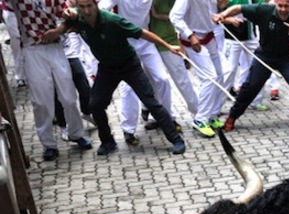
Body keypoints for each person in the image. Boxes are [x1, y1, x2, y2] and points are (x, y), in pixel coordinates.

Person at [48, 0, 186, 155]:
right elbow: (67, 23)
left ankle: (176, 140)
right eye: (82, 7)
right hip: (107, 68)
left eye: (90, 6)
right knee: (95, 104)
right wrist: (58, 31)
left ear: (96, 5)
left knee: (151, 102)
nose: (86, 11)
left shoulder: (113, 21)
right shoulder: (78, 17)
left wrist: (168, 47)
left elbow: (143, 33)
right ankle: (107, 141)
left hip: (129, 66)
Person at [214, 0, 289, 134]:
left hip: (285, 57)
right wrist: (223, 15)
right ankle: (232, 116)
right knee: (250, 86)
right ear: (275, 4)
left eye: (286, 6)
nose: (282, 9)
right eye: (280, 5)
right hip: (264, 55)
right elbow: (238, 7)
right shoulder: (264, 10)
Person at [11, 0, 91, 161]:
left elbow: (65, 12)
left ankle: (76, 134)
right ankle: (49, 144)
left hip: (55, 48)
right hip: (32, 49)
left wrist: (67, 16)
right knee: (41, 101)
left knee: (68, 97)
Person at [99, 0, 180, 147]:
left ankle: (167, 118)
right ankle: (128, 130)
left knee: (162, 79)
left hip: (145, 40)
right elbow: (102, 7)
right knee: (128, 88)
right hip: (125, 41)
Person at [170, 0, 229, 138]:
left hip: (209, 36)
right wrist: (190, 35)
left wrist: (216, 14)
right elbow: (174, 16)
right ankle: (200, 119)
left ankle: (212, 115)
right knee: (210, 78)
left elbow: (207, 11)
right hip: (194, 40)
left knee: (221, 75)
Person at [150, 0, 200, 119]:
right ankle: (159, 116)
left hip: (170, 40)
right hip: (148, 42)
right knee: (154, 81)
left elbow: (179, 16)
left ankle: (199, 113)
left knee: (182, 79)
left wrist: (159, 16)